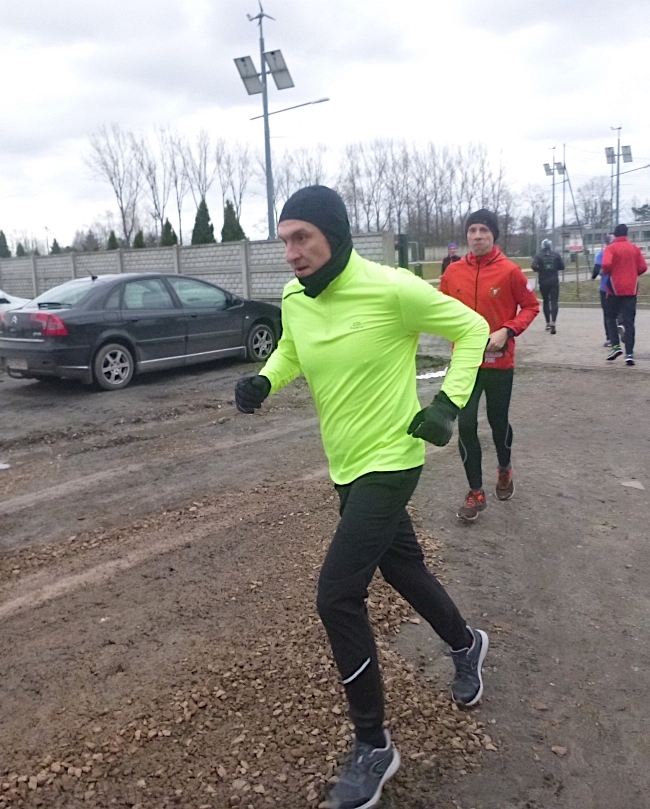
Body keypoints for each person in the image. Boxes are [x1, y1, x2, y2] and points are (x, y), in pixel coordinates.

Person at [233, 186, 491, 809]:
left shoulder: (391, 289)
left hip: (392, 460)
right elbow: (293, 348)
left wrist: (448, 404)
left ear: (334, 234)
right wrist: (266, 380)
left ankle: (374, 745)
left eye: (302, 238)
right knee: (402, 568)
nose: (291, 252)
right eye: (285, 240)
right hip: (345, 465)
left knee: (337, 595)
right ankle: (466, 643)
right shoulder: (296, 297)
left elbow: (473, 327)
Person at [439, 210, 539, 521]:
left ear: (493, 235)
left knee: (498, 423)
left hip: (499, 363)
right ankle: (475, 492)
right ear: (466, 235)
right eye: (472, 230)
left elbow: (531, 306)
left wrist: (507, 330)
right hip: (465, 364)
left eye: (484, 230)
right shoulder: (453, 272)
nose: (478, 236)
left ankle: (504, 469)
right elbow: (438, 309)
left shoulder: (510, 271)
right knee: (466, 424)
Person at [601, 223, 647, 366]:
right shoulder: (634, 248)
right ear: (626, 234)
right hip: (631, 289)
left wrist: (607, 272)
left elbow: (606, 264)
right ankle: (630, 354)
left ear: (615, 234)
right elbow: (643, 267)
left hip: (614, 289)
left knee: (610, 317)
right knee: (629, 322)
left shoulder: (610, 248)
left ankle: (615, 346)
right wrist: (632, 273)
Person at [530, 238, 563, 333]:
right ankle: (553, 322)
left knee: (546, 301)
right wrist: (554, 268)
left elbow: (533, 266)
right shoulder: (556, 255)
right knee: (554, 301)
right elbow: (562, 266)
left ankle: (547, 322)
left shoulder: (538, 255)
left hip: (543, 281)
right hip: (554, 281)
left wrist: (540, 270)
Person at [593, 237, 615, 347]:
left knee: (607, 314)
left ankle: (610, 338)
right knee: (621, 311)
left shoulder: (602, 254)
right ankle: (622, 327)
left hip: (606, 287)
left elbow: (597, 269)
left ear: (605, 243)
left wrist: (593, 276)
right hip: (620, 286)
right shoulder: (621, 253)